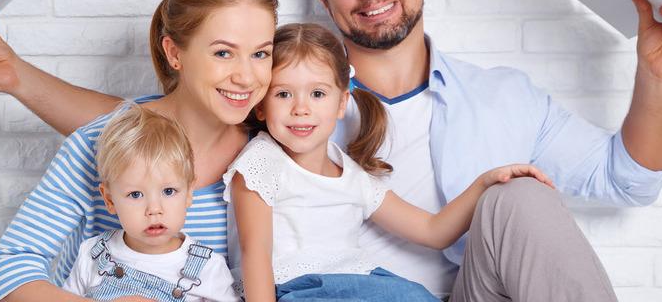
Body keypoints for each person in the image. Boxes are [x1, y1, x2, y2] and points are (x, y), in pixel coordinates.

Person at [0, 0, 662, 301]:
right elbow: (138, 135)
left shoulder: (479, 102)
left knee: (523, 202)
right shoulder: (244, 125)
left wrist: (655, 77)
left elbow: (628, 180)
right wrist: (19, 79)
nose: (252, 78)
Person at [0, 0, 277, 302]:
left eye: (261, 53)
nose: (247, 77)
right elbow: (3, 273)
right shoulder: (99, 143)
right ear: (174, 53)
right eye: (223, 53)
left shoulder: (269, 156)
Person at [229, 22, 550, 302]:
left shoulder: (351, 176)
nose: (301, 108)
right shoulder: (261, 164)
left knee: (413, 296)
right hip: (294, 290)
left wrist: (484, 183)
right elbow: (255, 255)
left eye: (317, 94)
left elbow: (432, 231)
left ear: (342, 103)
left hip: (356, 283)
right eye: (283, 94)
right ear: (261, 107)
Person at [62, 104, 235, 302]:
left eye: (168, 191)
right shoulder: (93, 255)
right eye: (135, 194)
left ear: (188, 193)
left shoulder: (208, 267)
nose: (154, 210)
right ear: (109, 199)